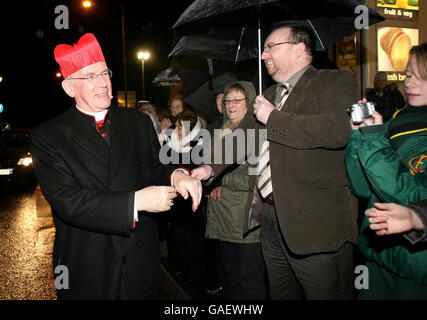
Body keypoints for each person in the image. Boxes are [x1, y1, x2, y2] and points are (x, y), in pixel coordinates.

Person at [193, 23, 359, 299]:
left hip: (315, 226)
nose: (263, 55)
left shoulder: (335, 82)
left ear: (300, 48)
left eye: (270, 47)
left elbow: (338, 130)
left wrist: (274, 118)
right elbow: (242, 137)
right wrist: (210, 167)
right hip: (270, 220)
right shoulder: (270, 95)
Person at [30, 33, 202, 300]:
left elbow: (154, 167)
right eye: (90, 76)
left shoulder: (137, 122)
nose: (103, 83)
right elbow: (68, 201)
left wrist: (177, 175)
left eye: (104, 73)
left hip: (139, 258)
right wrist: (136, 201)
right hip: (88, 262)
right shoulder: (48, 135)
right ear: (69, 88)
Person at [345, 43, 427, 299]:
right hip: (379, 255)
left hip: (416, 264)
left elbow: (411, 197)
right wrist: (359, 137)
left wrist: (372, 140)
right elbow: (361, 186)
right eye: (408, 74)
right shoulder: (397, 118)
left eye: (421, 76)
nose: (410, 82)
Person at [205, 81, 267, 300]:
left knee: (248, 280)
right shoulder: (223, 130)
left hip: (244, 220)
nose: (231, 105)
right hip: (223, 217)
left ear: (249, 103)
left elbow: (256, 177)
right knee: (230, 276)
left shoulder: (257, 132)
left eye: (237, 100)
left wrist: (220, 180)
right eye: (227, 100)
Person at [163, 110, 206, 283]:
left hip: (192, 201)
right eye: (177, 126)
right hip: (177, 201)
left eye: (182, 127)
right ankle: (182, 268)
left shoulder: (199, 145)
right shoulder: (173, 144)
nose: (178, 131)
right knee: (178, 237)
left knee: (193, 239)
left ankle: (195, 274)